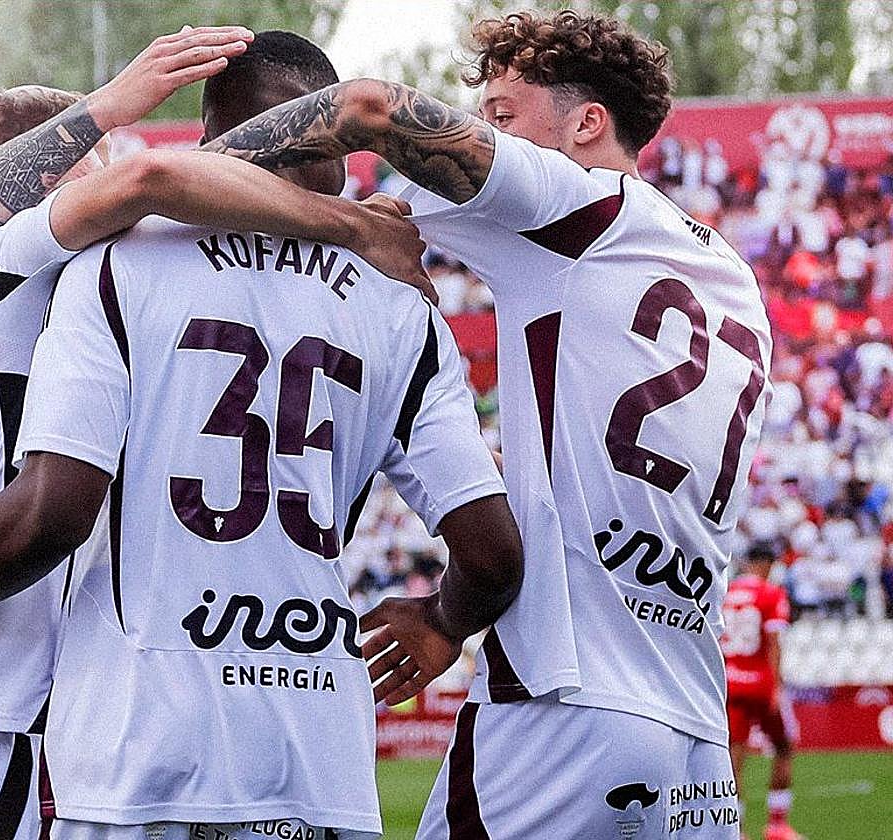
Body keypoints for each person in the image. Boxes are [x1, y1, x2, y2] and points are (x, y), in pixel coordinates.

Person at [0, 30, 524, 840]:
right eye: (90, 163)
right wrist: (351, 228)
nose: (115, 184)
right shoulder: (72, 264)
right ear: (38, 187)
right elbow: (152, 181)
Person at [206, 9, 772, 839]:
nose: (484, 132)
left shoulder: (571, 204)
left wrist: (166, 175)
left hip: (564, 707)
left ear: (587, 124)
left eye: (504, 115)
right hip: (695, 732)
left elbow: (364, 107)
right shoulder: (731, 276)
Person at [721, 543, 800, 840]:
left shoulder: (726, 592)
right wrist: (777, 686)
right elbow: (774, 640)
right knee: (784, 747)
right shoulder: (771, 593)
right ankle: (777, 826)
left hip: (729, 682)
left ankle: (737, 831)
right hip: (761, 683)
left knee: (733, 759)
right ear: (767, 563)